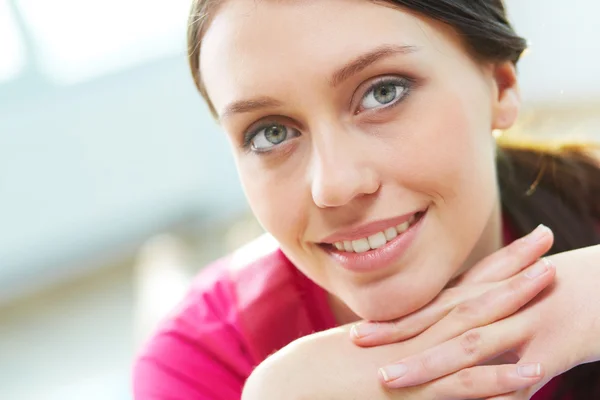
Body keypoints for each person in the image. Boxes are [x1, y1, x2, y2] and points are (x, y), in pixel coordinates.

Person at [133, 0, 600, 399]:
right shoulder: (197, 363)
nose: (333, 185)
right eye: (270, 133)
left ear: (501, 86)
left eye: (383, 92)